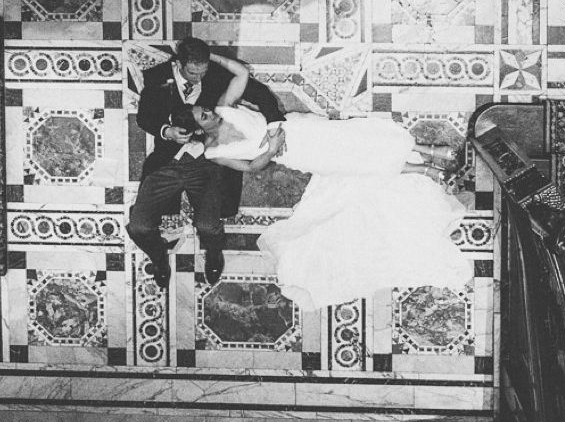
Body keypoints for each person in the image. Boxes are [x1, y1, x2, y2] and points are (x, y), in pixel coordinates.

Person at [190, 102, 475, 309]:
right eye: (203, 117)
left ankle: (429, 155)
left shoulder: (224, 109)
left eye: (205, 110)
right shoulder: (215, 152)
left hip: (300, 129)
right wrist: (273, 148)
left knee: (363, 140)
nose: (209, 114)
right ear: (197, 129)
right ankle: (427, 166)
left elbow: (248, 88)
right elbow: (252, 166)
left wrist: (276, 126)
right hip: (297, 153)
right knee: (363, 163)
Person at [129, 39, 285, 288]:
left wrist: (275, 122)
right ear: (178, 63)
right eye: (193, 72)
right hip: (167, 163)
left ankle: (213, 252)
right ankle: (158, 257)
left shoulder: (212, 74)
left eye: (203, 72)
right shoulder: (157, 78)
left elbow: (257, 91)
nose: (199, 77)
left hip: (208, 162)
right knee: (138, 226)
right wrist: (166, 131)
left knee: (209, 225)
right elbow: (145, 117)